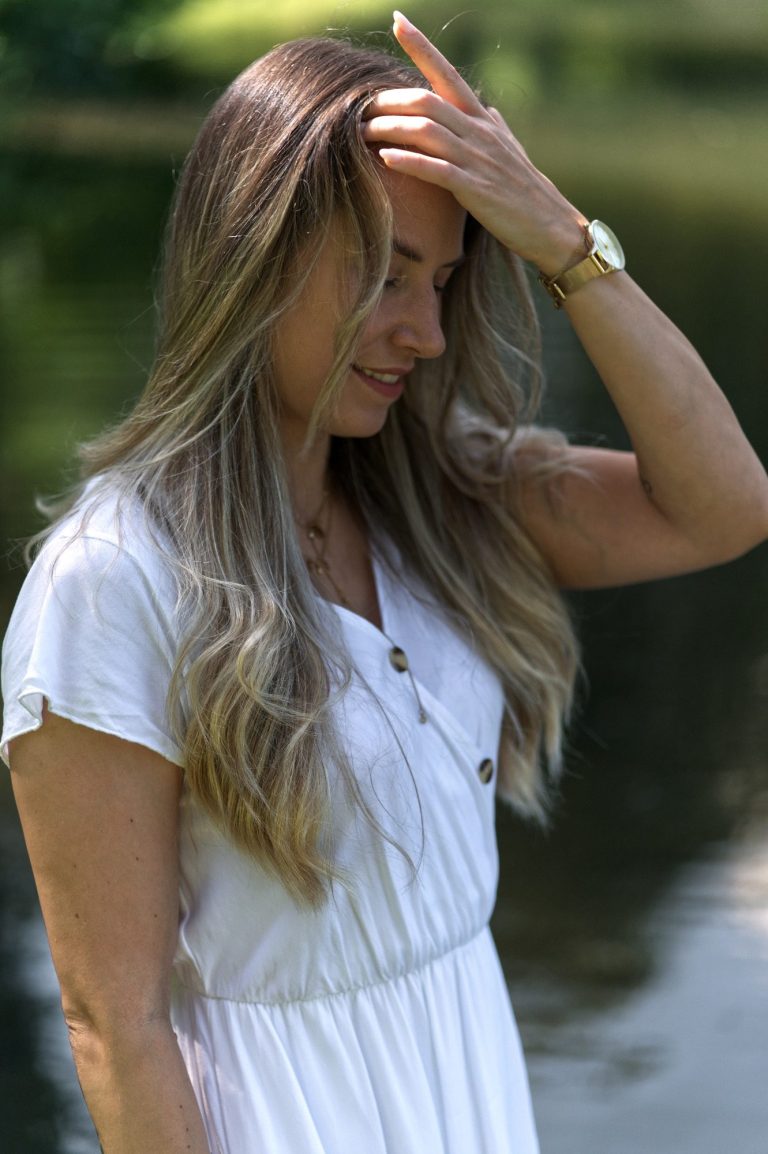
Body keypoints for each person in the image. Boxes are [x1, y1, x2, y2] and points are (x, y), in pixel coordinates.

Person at [3, 11, 767, 1153]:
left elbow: (726, 503)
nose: (423, 330)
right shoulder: (115, 578)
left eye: (446, 283)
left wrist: (563, 241)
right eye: (383, 274)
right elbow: (115, 1023)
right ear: (252, 254)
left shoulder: (440, 499)